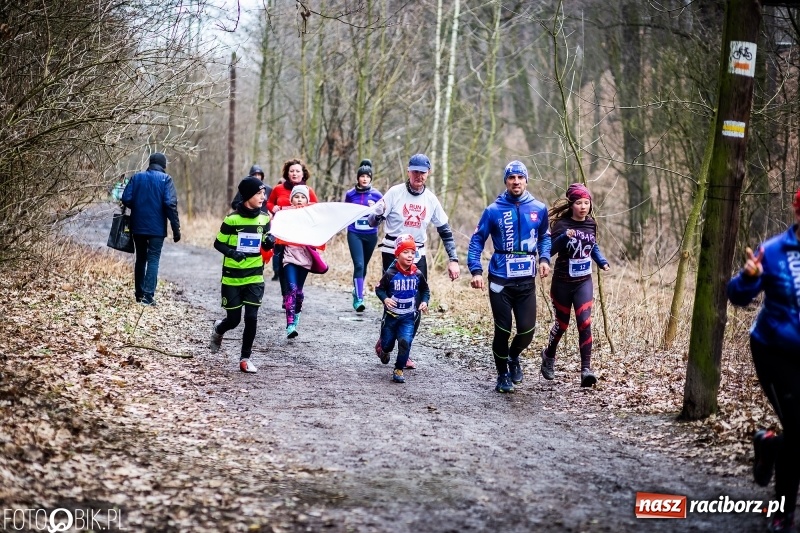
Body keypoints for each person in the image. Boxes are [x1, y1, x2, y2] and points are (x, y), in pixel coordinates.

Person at [727, 188, 800, 533]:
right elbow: (738, 296)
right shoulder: (772, 252)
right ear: (797, 211)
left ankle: (769, 444)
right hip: (775, 352)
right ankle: (783, 511)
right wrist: (749, 278)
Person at [368, 153, 459, 369]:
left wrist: (453, 259)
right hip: (392, 250)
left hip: (418, 253)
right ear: (408, 172)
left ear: (428, 174)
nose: (418, 176)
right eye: (415, 171)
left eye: (422, 172)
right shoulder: (394, 193)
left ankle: (405, 349)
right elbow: (372, 221)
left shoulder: (431, 200)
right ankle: (385, 343)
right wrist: (378, 214)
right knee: (394, 298)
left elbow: (445, 230)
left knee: (416, 302)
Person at [467, 160, 551, 393]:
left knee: (527, 329)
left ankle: (513, 357)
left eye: (520, 178)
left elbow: (545, 236)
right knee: (502, 329)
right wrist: (475, 270)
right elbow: (477, 240)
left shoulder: (539, 208)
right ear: (506, 181)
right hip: (500, 279)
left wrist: (544, 259)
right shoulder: (493, 210)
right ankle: (502, 374)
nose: (516, 182)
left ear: (526, 180)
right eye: (511, 178)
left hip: (526, 280)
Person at [539, 182, 610, 388]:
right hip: (562, 283)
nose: (583, 207)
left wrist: (602, 261)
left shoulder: (591, 224)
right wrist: (563, 237)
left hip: (583, 283)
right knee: (562, 325)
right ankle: (549, 355)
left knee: (585, 323)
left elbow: (592, 245)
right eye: (579, 203)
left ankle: (586, 370)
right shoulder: (561, 225)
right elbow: (549, 250)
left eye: (586, 203)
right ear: (571, 205)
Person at [209, 176, 274, 373]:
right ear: (247, 196)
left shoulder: (265, 219)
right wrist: (232, 252)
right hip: (232, 276)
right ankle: (219, 329)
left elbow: (264, 244)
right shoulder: (231, 220)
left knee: (252, 318)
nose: (263, 197)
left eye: (264, 193)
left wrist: (269, 243)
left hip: (255, 275)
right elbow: (218, 243)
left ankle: (245, 359)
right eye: (258, 193)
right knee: (234, 320)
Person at [121, 152, 181, 306]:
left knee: (141, 258)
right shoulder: (166, 180)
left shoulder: (137, 177)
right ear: (163, 165)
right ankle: (148, 297)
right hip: (156, 228)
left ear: (150, 163)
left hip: (138, 226)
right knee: (153, 259)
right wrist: (176, 229)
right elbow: (170, 204)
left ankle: (139, 294)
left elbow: (126, 198)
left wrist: (139, 206)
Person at [375, 234, 430, 384]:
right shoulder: (391, 274)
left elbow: (425, 290)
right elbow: (379, 289)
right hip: (391, 317)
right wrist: (385, 299)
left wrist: (424, 302)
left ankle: (398, 369)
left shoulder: (417, 274)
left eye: (413, 252)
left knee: (405, 342)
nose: (410, 256)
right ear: (397, 254)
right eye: (406, 252)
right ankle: (384, 349)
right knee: (388, 344)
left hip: (408, 317)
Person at [278, 185, 327, 339]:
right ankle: (290, 325)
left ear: (307, 199)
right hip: (289, 257)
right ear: (291, 199)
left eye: (303, 197)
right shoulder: (284, 214)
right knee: (291, 289)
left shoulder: (311, 215)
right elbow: (276, 230)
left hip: (305, 258)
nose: (299, 200)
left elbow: (320, 232)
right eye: (296, 197)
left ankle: (297, 312)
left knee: (298, 292)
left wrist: (318, 246)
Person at [267, 159, 319, 292]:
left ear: (303, 174)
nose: (294, 174)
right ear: (287, 173)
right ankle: (286, 296)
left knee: (300, 264)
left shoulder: (308, 191)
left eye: (297, 171)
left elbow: (316, 210)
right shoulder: (278, 189)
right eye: (291, 171)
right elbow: (269, 203)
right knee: (281, 265)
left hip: (300, 234)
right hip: (281, 232)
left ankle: (296, 292)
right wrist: (274, 209)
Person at [344, 159, 383, 312]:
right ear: (358, 178)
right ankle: (359, 298)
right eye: (362, 176)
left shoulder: (377, 195)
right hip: (354, 233)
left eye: (368, 176)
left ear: (371, 178)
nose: (365, 178)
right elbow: (345, 212)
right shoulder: (350, 194)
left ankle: (357, 290)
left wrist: (375, 210)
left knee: (364, 265)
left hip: (371, 235)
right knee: (358, 264)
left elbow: (382, 216)